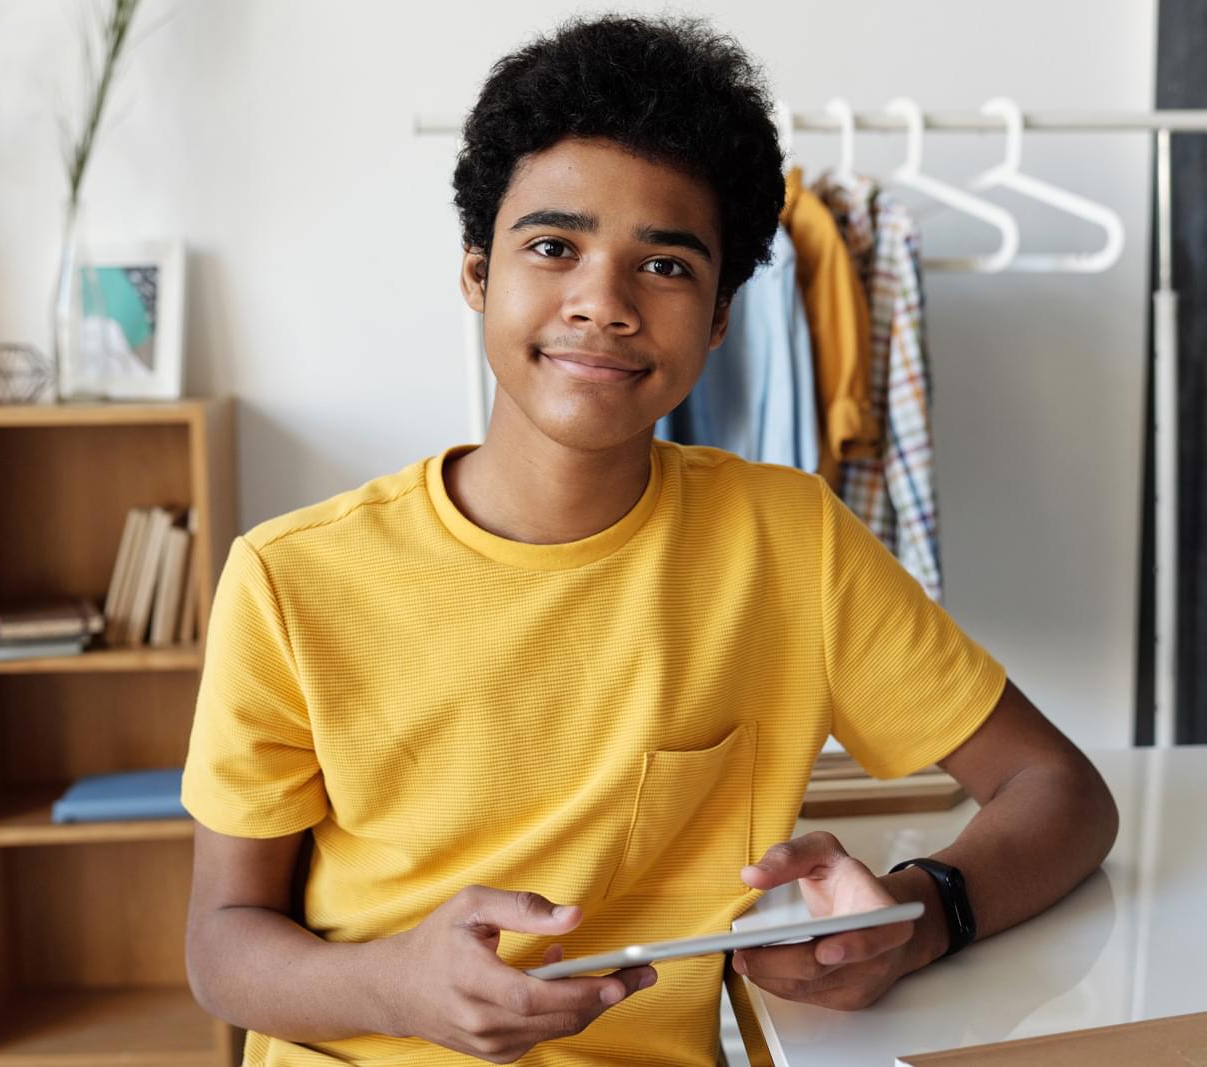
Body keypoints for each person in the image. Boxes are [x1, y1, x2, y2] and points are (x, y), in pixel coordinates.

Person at [181, 15, 1118, 1067]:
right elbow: (221, 944)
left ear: (719, 318)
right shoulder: (288, 576)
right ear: (476, 272)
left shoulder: (788, 541)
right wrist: (398, 988)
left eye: (664, 266)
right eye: (551, 247)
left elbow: (1060, 792)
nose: (603, 303)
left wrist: (914, 914)